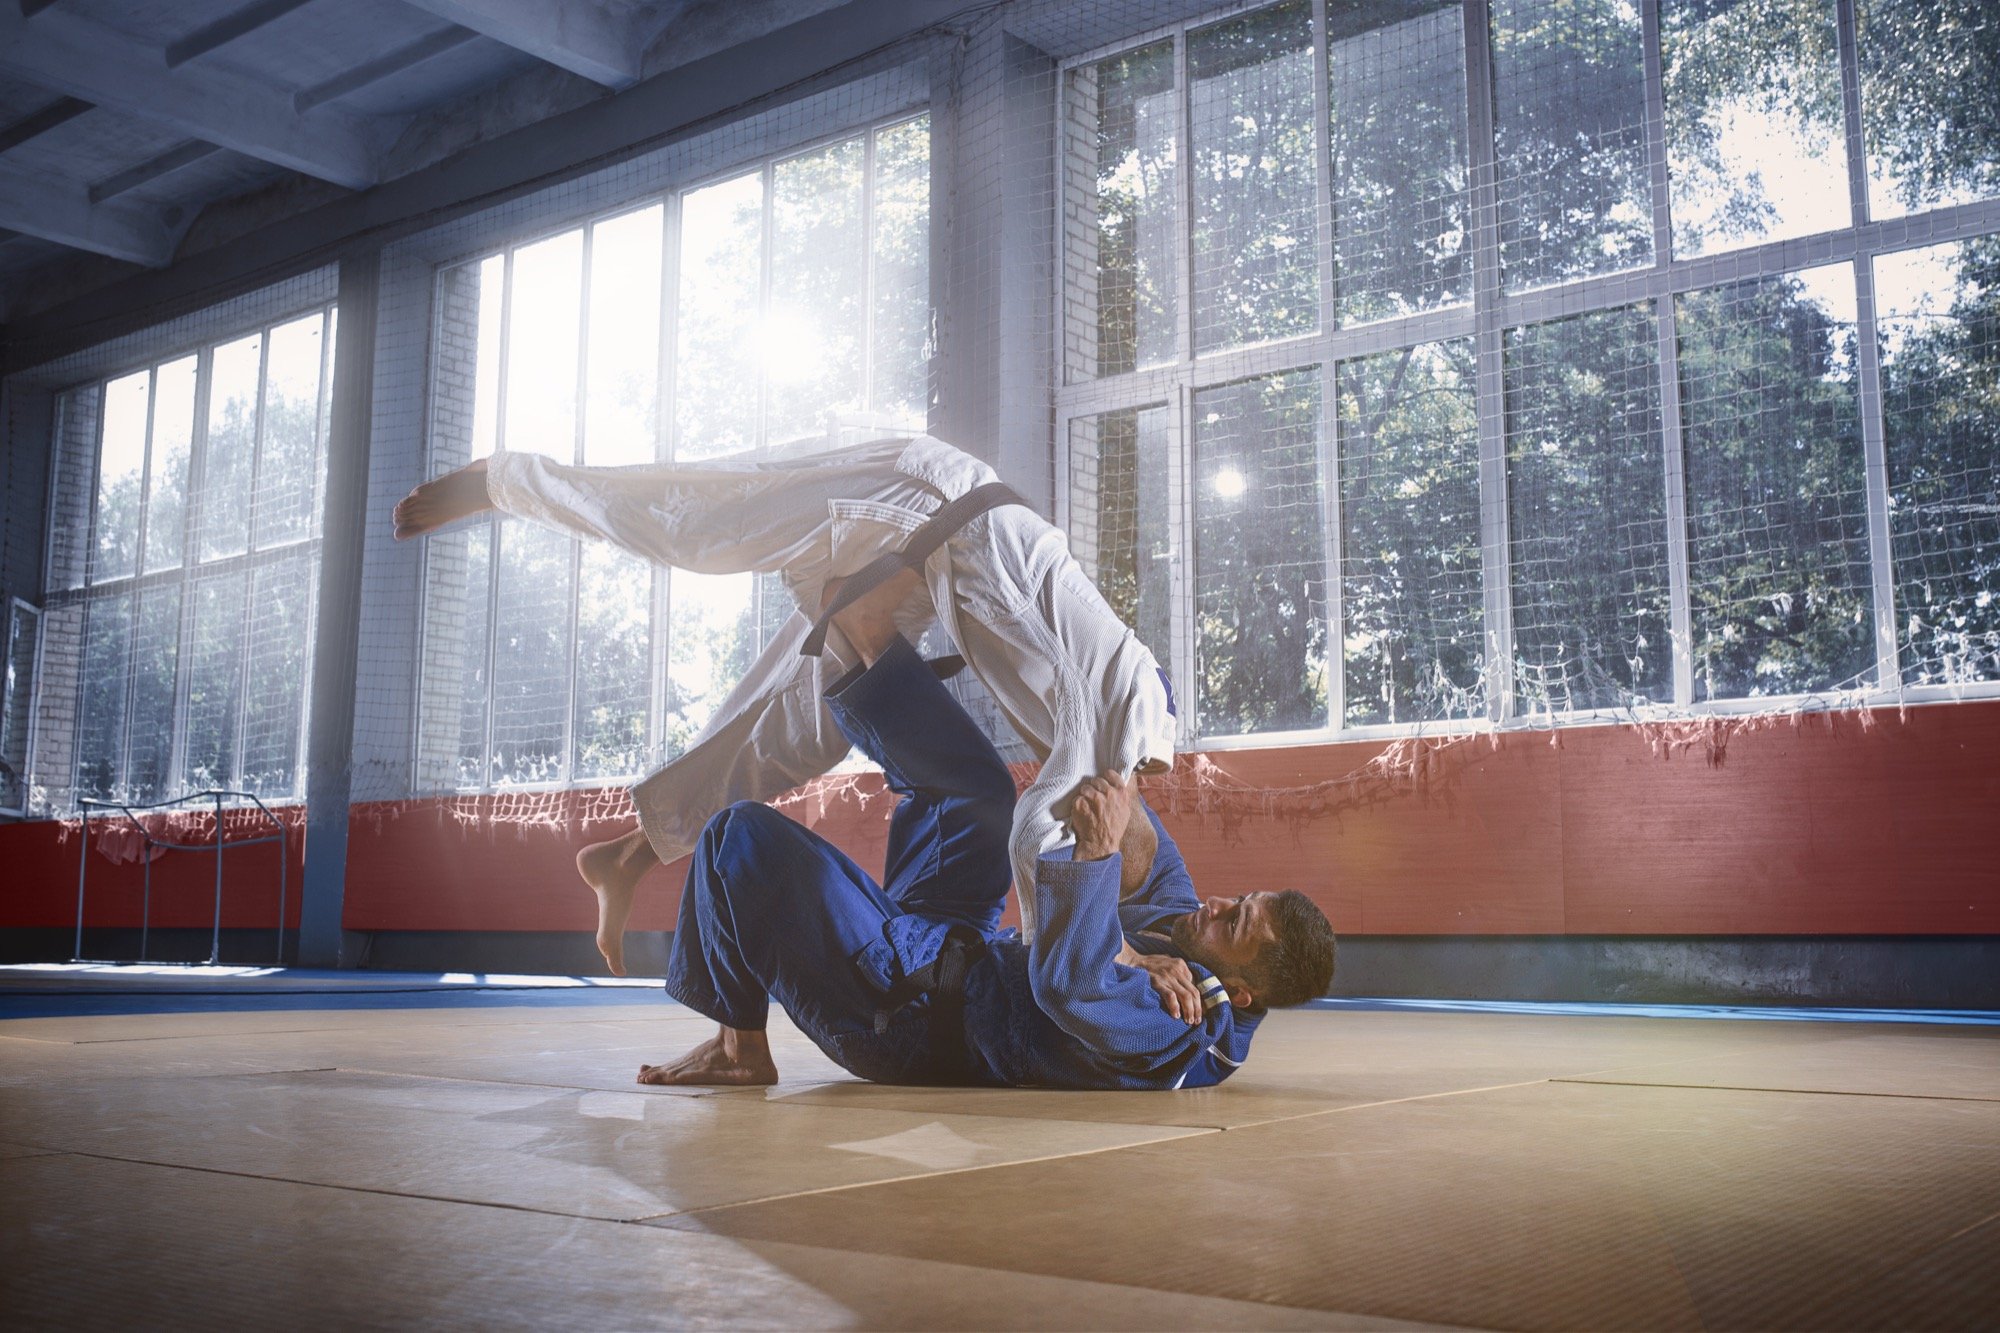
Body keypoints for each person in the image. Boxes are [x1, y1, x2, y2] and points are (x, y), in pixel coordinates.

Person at [393, 433, 1178, 973]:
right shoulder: (1128, 719)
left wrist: (1102, 930)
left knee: (802, 729)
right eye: (1102, 842)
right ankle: (505, 478)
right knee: (704, 525)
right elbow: (1032, 832)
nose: (1085, 829)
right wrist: (1102, 950)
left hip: (922, 561)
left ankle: (631, 852)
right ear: (1129, 830)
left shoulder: (1106, 745)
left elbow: (1048, 824)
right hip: (924, 493)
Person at [636, 581, 1336, 1090]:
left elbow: (1070, 988)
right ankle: (866, 638)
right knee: (977, 795)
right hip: (951, 945)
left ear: (1239, 992)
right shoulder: (1187, 933)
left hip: (906, 1011)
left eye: (1234, 922)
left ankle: (738, 1046)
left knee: (739, 838)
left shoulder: (1178, 1022)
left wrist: (1094, 856)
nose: (1214, 904)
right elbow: (1145, 852)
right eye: (1236, 898)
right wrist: (1115, 745)